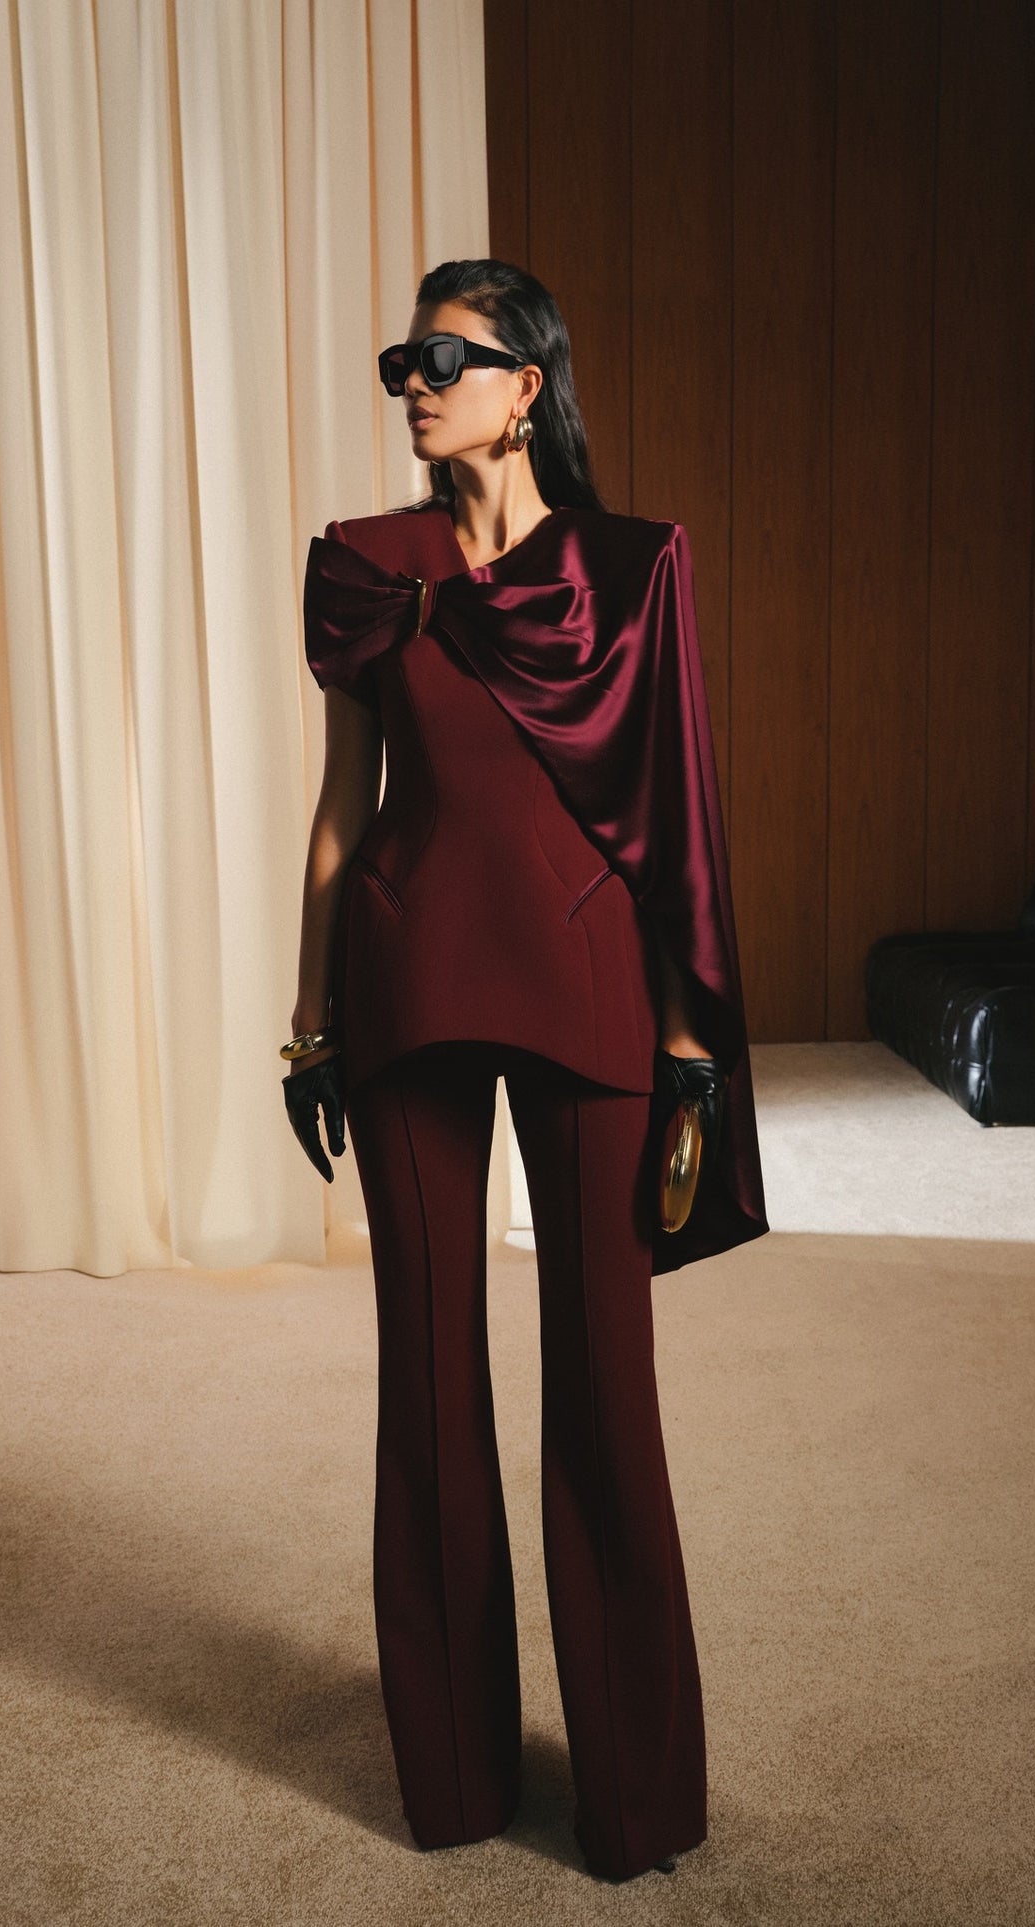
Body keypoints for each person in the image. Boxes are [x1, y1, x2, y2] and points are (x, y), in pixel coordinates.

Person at [282, 259, 767, 1883]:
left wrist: (693, 1034)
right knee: (425, 1388)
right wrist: (308, 1019)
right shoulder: (367, 568)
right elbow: (345, 807)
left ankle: (635, 1795)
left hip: (592, 985)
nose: (411, 384)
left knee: (604, 1396)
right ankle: (453, 1779)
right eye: (398, 362)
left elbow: (678, 799)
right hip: (407, 978)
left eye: (442, 358)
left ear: (527, 385)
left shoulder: (634, 567)